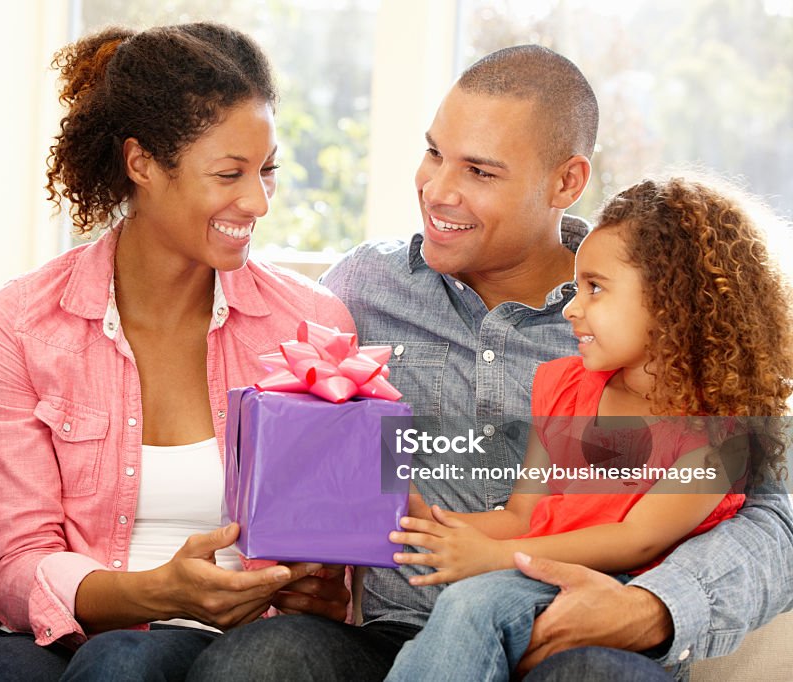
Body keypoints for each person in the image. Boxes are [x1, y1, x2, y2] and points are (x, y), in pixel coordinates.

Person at [188, 44, 793, 681]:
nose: (437, 191)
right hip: (398, 636)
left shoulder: (641, 320)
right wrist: (331, 539)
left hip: (579, 637)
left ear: (566, 181)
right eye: (433, 153)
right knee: (262, 661)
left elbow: (776, 520)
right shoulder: (365, 287)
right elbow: (299, 415)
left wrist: (651, 607)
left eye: (480, 171)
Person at [0, 23, 354, 682]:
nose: (258, 201)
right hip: (62, 632)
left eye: (267, 170)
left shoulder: (310, 325)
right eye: (229, 174)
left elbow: (330, 545)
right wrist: (157, 590)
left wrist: (325, 585)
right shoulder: (13, 327)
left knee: (122, 661)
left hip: (233, 637)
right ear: (142, 165)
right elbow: (16, 566)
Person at [384, 175, 793, 681]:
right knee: (473, 604)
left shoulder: (717, 439)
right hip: (529, 572)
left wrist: (494, 557)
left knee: (475, 602)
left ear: (672, 301)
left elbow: (637, 539)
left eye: (595, 288)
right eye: (578, 287)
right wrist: (435, 527)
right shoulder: (565, 389)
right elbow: (522, 515)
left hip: (612, 598)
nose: (573, 308)